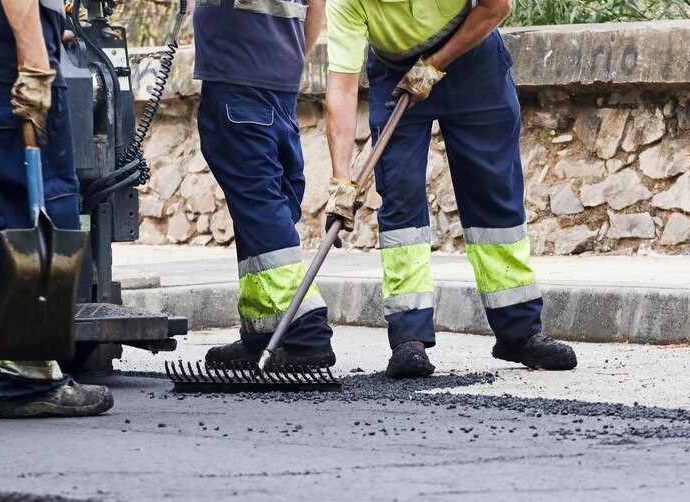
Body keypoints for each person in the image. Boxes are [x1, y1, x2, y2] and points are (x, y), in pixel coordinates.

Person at [323, 0, 577, 378]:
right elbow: (341, 90)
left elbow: (496, 6)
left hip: (473, 59)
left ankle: (519, 333)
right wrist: (342, 181)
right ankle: (410, 338)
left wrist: (436, 62)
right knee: (401, 197)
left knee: (494, 196)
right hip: (395, 72)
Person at [0, 0, 113, 417]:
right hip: (11, 64)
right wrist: (36, 61)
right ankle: (28, 374)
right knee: (44, 210)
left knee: (7, 215)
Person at [193, 0, 336, 369]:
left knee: (260, 205)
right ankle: (265, 329)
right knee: (263, 207)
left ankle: (307, 332)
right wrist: (285, 62)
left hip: (236, 78)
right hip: (279, 80)